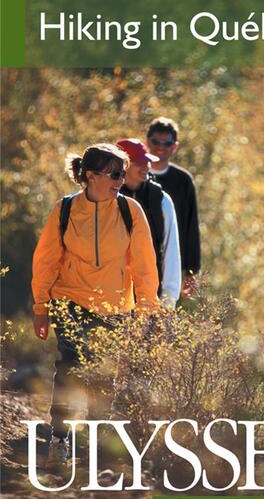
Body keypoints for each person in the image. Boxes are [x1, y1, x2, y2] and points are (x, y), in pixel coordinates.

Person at [32, 143, 159, 462]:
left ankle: (92, 447)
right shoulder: (64, 210)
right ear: (90, 176)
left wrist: (146, 312)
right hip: (70, 301)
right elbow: (46, 261)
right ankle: (59, 439)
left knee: (103, 377)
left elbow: (144, 267)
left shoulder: (131, 212)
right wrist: (40, 308)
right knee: (70, 369)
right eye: (115, 174)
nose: (121, 180)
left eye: (123, 174)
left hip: (115, 308)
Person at [117, 138, 181, 308]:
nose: (146, 166)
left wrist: (169, 301)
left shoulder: (161, 200)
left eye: (147, 161)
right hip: (112, 302)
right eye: (139, 162)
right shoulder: (105, 198)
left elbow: (171, 251)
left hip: (152, 301)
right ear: (122, 165)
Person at [146, 117, 201, 297]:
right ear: (147, 141)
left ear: (174, 146)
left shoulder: (183, 180)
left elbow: (191, 226)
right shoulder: (133, 175)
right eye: (155, 141)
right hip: (140, 262)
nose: (160, 147)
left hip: (171, 266)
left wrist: (191, 271)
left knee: (164, 317)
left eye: (167, 143)